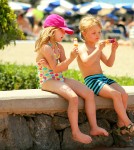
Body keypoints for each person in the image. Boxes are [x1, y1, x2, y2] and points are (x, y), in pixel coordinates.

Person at [35, 14, 108, 144]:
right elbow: (57, 68)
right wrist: (70, 58)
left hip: (59, 77)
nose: (64, 33)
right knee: (73, 98)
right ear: (52, 30)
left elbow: (63, 68)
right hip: (48, 80)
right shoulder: (45, 47)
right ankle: (76, 132)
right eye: (62, 30)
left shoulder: (59, 47)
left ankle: (94, 127)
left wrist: (64, 61)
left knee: (89, 93)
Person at [77, 15, 134, 137]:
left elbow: (109, 63)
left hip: (102, 78)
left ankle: (121, 125)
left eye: (99, 32)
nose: (97, 35)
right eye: (93, 33)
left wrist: (113, 51)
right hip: (91, 80)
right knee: (115, 94)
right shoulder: (82, 48)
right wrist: (98, 49)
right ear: (84, 33)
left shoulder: (96, 47)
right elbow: (86, 61)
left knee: (123, 94)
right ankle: (129, 124)